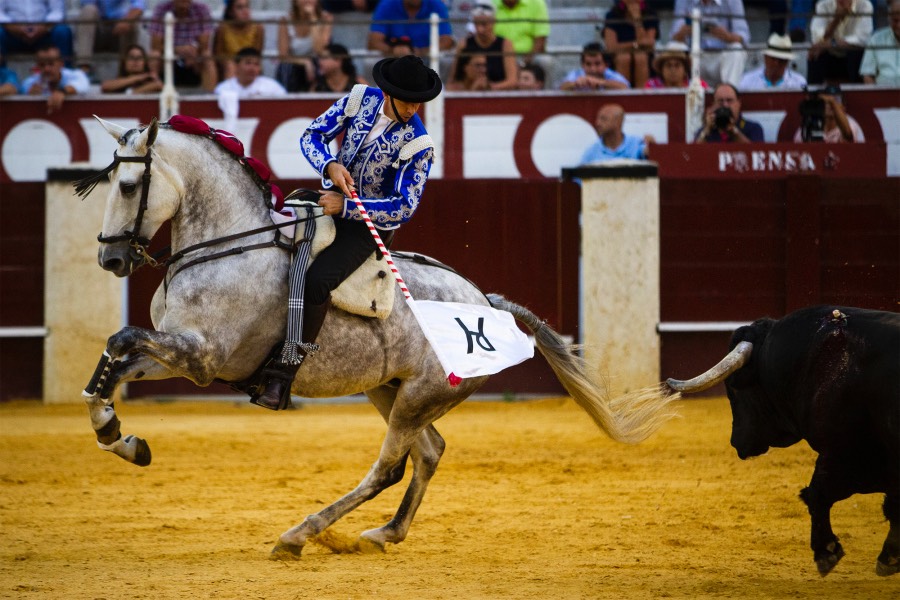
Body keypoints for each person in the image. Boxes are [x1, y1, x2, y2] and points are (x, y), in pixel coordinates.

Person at [253, 54, 442, 410]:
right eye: (408, 100)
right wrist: (329, 162)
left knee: (317, 281)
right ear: (388, 93)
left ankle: (282, 377)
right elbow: (312, 135)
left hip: (370, 227)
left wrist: (349, 208)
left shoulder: (419, 144)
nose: (414, 108)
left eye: (419, 101)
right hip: (328, 199)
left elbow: (404, 206)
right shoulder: (359, 99)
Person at [670, 0, 751, 87]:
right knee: (674, 47)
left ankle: (729, 93)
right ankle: (678, 92)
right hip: (694, 56)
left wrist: (727, 36)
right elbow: (674, 37)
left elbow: (743, 36)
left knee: (736, 49)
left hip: (721, 57)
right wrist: (686, 31)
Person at [147, 0, 216, 92]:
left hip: (194, 54)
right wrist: (177, 50)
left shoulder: (202, 9)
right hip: (168, 54)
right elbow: (155, 45)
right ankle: (153, 92)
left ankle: (209, 97)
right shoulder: (161, 9)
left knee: (207, 56)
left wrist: (193, 51)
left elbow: (204, 44)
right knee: (154, 55)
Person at [447, 2, 517, 91]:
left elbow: (512, 81)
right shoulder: (464, 44)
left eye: (484, 24)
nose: (480, 29)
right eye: (476, 24)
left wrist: (488, 88)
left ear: (493, 22)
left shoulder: (505, 44)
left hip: (498, 94)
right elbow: (452, 81)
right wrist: (471, 90)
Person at [807, 0, 874, 83]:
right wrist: (836, 20)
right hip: (830, 56)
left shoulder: (864, 5)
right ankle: (813, 93)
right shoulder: (823, 5)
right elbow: (817, 39)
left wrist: (832, 43)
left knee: (857, 52)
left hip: (851, 57)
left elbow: (863, 39)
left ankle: (857, 92)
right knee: (814, 52)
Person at [73, 0, 145, 73]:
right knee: (88, 11)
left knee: (132, 23)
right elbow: (86, 4)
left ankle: (126, 70)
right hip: (98, 27)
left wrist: (126, 21)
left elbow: (139, 6)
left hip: (121, 24)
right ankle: (84, 68)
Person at [276, 0, 332, 92]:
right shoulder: (285, 20)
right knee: (286, 67)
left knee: (320, 65)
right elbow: (282, 55)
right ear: (295, 2)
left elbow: (319, 50)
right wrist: (305, 62)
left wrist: (313, 18)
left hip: (316, 62)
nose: (308, 1)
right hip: (293, 64)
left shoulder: (326, 18)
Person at [602, 0, 659, 89]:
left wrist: (637, 20)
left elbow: (649, 43)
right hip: (618, 58)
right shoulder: (612, 15)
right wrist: (635, 44)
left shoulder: (650, 14)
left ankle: (642, 96)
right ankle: (622, 94)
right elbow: (611, 47)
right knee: (624, 58)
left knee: (640, 57)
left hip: (644, 58)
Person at [20, 43, 90, 113]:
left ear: (61, 64)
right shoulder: (31, 82)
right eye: (42, 65)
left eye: (51, 63)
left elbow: (83, 83)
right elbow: (24, 88)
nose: (47, 69)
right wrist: (30, 94)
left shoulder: (75, 75)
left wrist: (62, 92)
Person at [367, 0, 454, 57]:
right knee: (371, 61)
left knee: (445, 59)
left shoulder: (436, 4)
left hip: (427, 57)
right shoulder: (386, 4)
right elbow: (373, 41)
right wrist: (393, 50)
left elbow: (447, 41)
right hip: (394, 58)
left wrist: (421, 52)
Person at [0, 0, 74, 62]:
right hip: (12, 33)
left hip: (44, 33)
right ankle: (2, 75)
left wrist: (43, 27)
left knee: (62, 32)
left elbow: (57, 11)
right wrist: (14, 28)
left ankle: (64, 72)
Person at [579, 104, 655, 163]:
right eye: (598, 119)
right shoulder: (592, 151)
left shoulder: (636, 143)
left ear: (618, 122)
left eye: (604, 119)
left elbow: (651, 158)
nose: (597, 123)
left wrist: (653, 147)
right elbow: (580, 180)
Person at [694, 82, 765, 143]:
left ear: (738, 103)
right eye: (720, 101)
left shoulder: (753, 128)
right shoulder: (706, 131)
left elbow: (756, 153)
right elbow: (693, 154)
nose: (725, 105)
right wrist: (706, 131)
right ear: (713, 104)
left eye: (729, 100)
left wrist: (734, 131)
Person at [792, 83, 865, 141]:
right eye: (826, 101)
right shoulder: (808, 126)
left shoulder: (850, 124)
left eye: (836, 100)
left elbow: (848, 136)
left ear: (844, 107)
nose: (830, 105)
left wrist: (832, 101)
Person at [213, 0, 264, 82]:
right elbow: (218, 55)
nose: (245, 11)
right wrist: (234, 65)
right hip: (228, 67)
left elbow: (256, 54)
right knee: (230, 66)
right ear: (230, 12)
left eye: (247, 7)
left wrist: (245, 64)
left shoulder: (258, 28)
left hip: (250, 64)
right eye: (240, 8)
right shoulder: (222, 29)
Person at [739, 32, 808, 89]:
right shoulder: (747, 81)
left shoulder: (799, 82)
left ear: (787, 62)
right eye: (773, 59)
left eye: (781, 60)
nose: (776, 63)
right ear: (766, 58)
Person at [214, 46, 287, 97]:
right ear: (237, 66)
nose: (252, 68)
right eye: (248, 63)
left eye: (256, 64)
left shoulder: (272, 88)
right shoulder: (223, 89)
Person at [559, 42, 630, 91]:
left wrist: (601, 82)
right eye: (588, 64)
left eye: (597, 64)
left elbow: (625, 88)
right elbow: (561, 88)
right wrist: (575, 84)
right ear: (582, 65)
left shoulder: (611, 75)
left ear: (606, 65)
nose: (593, 69)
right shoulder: (576, 74)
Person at [859, 0, 900, 85]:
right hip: (883, 96)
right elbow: (867, 75)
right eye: (895, 20)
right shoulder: (876, 39)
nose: (899, 25)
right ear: (888, 18)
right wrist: (875, 96)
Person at [644, 40, 709, 88]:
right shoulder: (652, 86)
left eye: (677, 65)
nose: (673, 70)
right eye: (668, 65)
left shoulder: (698, 85)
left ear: (685, 70)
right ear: (661, 70)